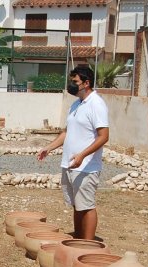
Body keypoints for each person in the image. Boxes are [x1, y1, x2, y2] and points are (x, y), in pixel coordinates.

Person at [38, 65, 109, 240]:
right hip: (70, 164)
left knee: (87, 206)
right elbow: (66, 132)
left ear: (86, 83)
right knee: (77, 205)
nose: (72, 84)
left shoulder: (96, 104)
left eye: (75, 81)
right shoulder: (76, 104)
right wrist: (49, 148)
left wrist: (82, 155)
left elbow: (103, 136)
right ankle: (78, 239)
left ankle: (88, 244)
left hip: (86, 166)